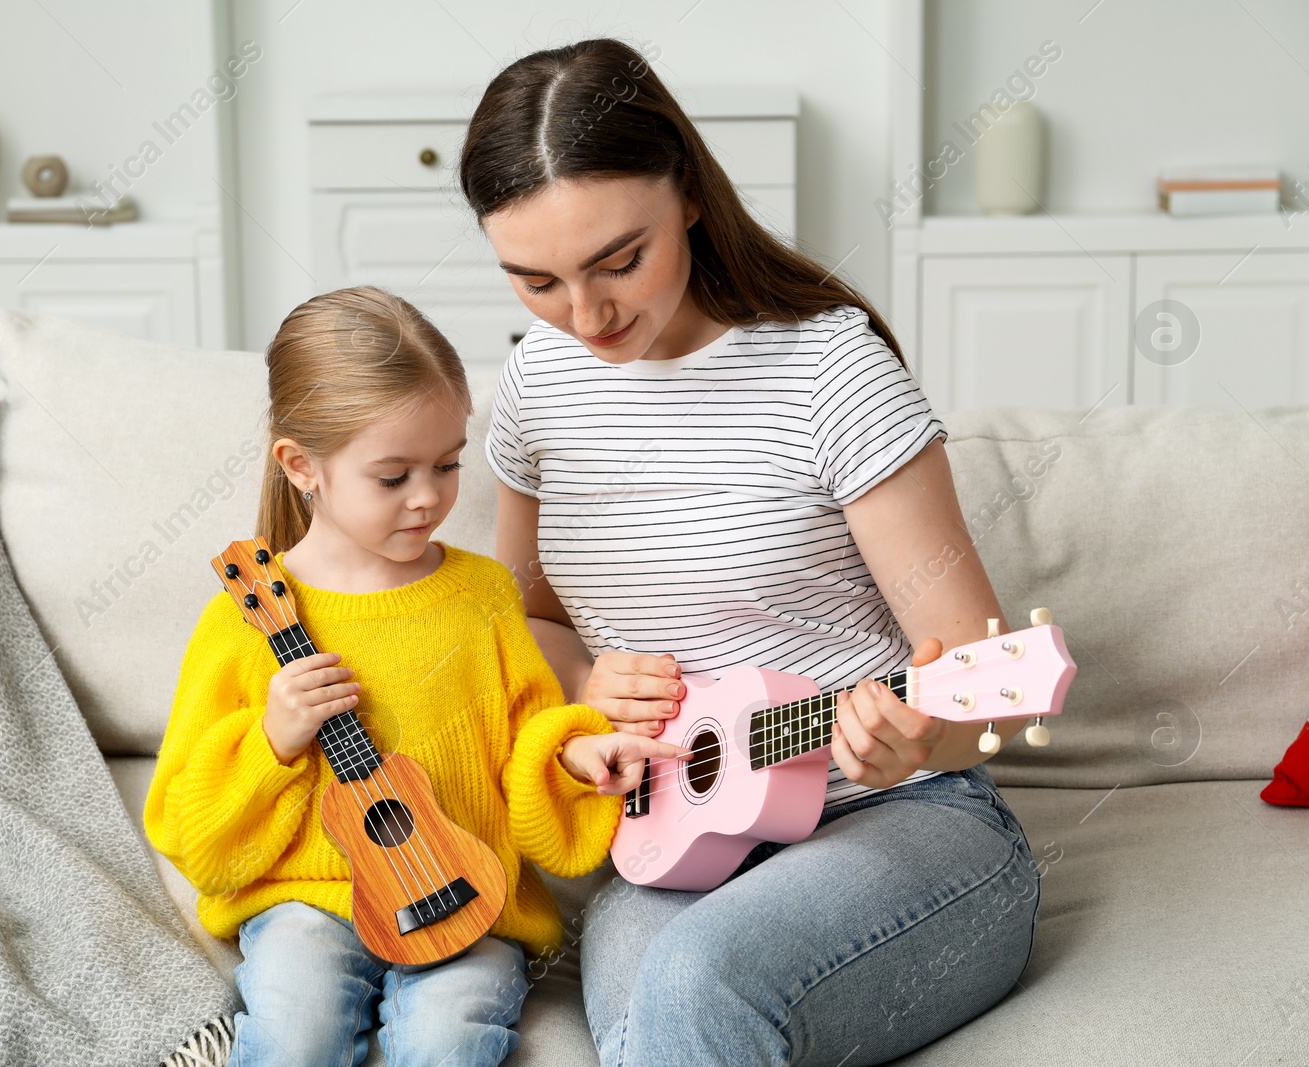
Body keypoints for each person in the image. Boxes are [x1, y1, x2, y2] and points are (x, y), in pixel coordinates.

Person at [460, 37, 1044, 1067]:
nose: (585, 316)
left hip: (903, 820)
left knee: (695, 984)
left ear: (687, 192)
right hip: (675, 828)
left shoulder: (827, 370)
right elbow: (530, 618)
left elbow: (996, 684)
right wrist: (588, 677)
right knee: (655, 1018)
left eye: (618, 260)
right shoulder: (537, 387)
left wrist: (920, 738)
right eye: (534, 280)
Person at [142, 286, 685, 1067]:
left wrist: (571, 754)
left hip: (465, 899)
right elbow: (189, 830)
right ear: (302, 466)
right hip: (308, 901)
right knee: (296, 1027)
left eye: (448, 464)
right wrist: (272, 740)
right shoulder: (243, 620)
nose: (428, 497)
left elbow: (527, 735)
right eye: (393, 476)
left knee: (449, 1033)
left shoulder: (483, 596)